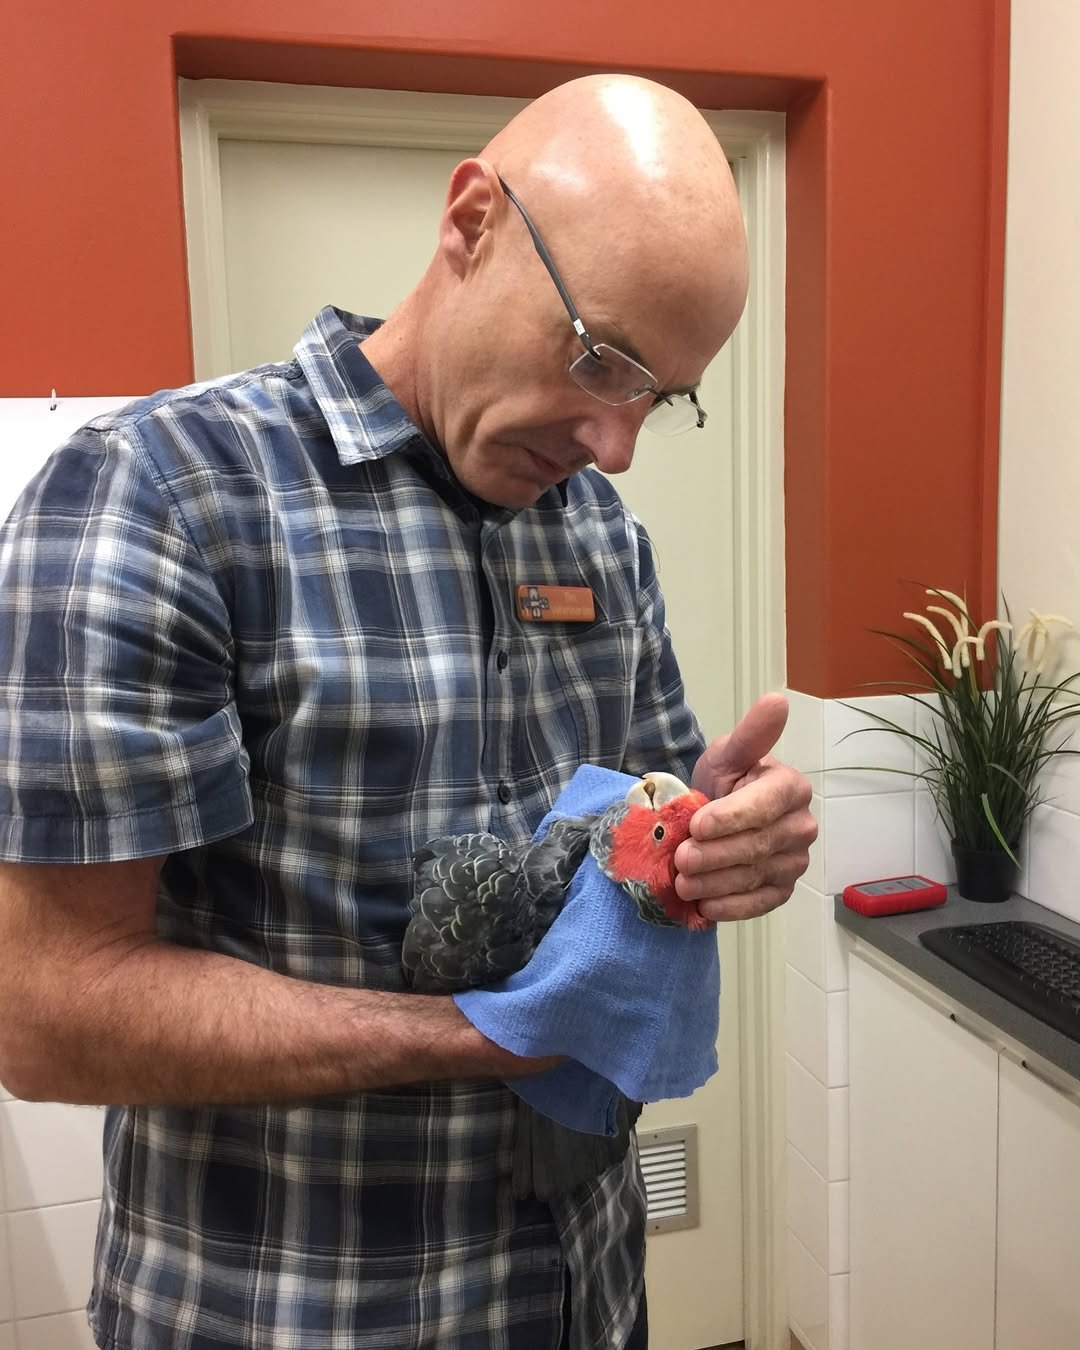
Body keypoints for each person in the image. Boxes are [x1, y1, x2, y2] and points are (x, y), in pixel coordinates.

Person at [0, 74, 815, 1349]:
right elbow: (47, 1013)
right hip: (288, 1312)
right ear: (473, 223)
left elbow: (640, 847)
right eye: (601, 358)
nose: (617, 442)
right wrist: (477, 1037)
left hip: (584, 1298)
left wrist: (714, 840)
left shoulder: (600, 533)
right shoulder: (162, 498)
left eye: (661, 392)